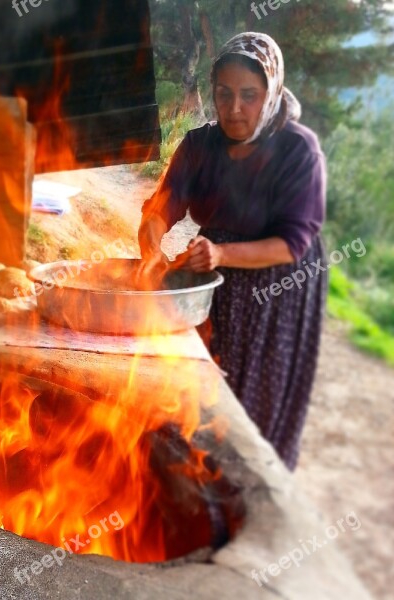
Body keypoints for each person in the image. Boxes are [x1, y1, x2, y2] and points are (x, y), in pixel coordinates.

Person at [138, 32, 327, 470]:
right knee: (198, 380)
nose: (234, 109)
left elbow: (292, 243)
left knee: (252, 394)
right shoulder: (200, 145)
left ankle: (247, 495)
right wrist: (151, 243)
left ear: (272, 92)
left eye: (249, 96)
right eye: (224, 94)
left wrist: (222, 255)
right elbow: (161, 207)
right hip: (211, 273)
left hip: (277, 280)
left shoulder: (298, 151)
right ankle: (192, 478)